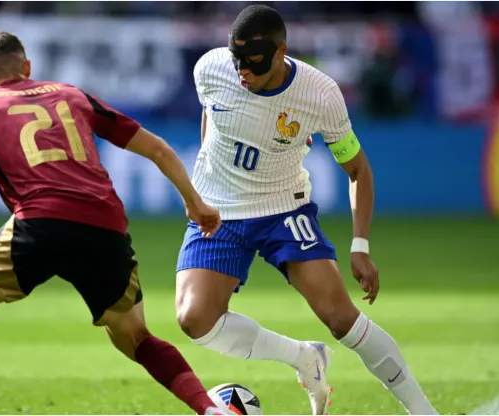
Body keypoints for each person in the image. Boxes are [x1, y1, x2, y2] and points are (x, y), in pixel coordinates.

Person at [0, 31, 227, 416]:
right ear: (27, 68)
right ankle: (211, 410)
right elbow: (158, 148)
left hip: (38, 223)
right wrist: (194, 203)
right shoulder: (71, 94)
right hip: (104, 227)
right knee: (136, 337)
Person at [175, 5, 438, 415]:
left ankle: (424, 412)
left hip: (283, 207)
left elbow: (357, 169)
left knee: (341, 319)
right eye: (238, 61)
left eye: (255, 63)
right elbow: (212, 112)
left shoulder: (320, 94)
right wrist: (205, 177)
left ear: (281, 53)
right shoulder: (211, 68)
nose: (243, 72)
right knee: (194, 319)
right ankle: (303, 357)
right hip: (219, 209)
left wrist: (361, 245)